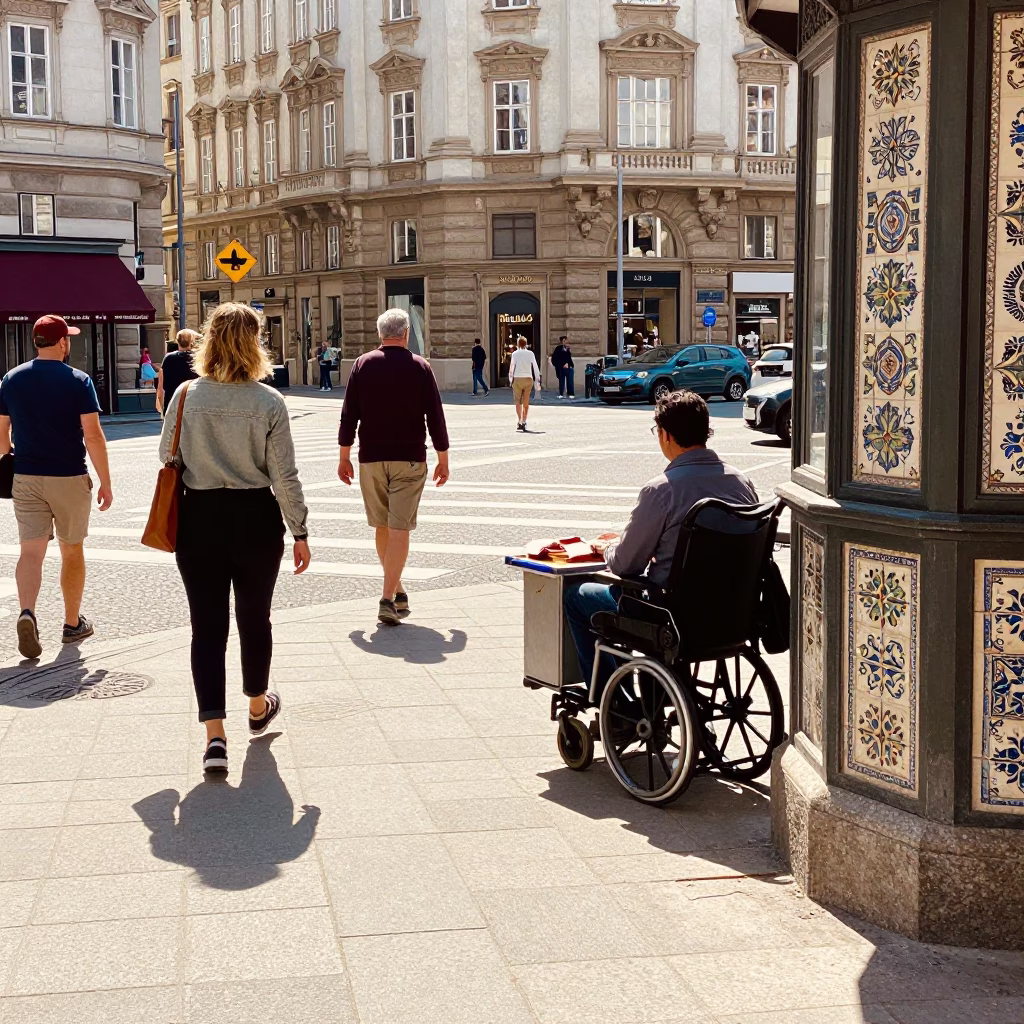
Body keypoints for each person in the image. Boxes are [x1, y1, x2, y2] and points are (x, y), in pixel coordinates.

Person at [159, 302, 311, 775]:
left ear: (208, 341)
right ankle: (257, 706)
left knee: (206, 628)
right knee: (254, 618)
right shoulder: (269, 402)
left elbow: (168, 454)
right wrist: (299, 529)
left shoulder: (185, 395)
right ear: (254, 343)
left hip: (199, 518)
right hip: (255, 520)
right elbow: (284, 476)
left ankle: (214, 738)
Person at [563, 391, 758, 692]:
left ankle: (609, 700)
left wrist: (609, 549)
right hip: (733, 612)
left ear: (665, 435)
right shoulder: (741, 482)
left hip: (672, 614)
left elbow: (626, 564)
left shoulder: (662, 490)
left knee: (577, 596)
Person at [0, 314, 113, 659]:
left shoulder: (11, 379)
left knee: (31, 552)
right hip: (68, 476)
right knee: (71, 549)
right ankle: (71, 623)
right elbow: (92, 435)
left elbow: (1, 433)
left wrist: (8, 462)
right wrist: (105, 482)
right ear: (62, 342)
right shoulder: (78, 380)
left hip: (27, 476)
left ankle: (27, 612)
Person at [338, 308, 450, 626]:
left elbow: (349, 415)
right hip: (410, 459)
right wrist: (443, 458)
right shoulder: (420, 367)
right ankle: (389, 596)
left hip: (371, 458)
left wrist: (343, 456)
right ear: (405, 334)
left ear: (380, 334)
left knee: (383, 527)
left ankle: (396, 591)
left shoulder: (362, 365)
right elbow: (435, 417)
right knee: (399, 527)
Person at [156, 328, 200, 417]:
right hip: (193, 405)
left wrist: (161, 408)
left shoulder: (168, 358)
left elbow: (161, 386)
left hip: (172, 405)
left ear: (178, 341)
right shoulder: (198, 358)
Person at [508, 336, 541, 432]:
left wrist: (511, 380)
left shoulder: (514, 354)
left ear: (518, 344)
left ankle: (519, 420)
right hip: (528, 378)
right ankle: (524, 420)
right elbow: (535, 367)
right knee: (526, 401)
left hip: (517, 378)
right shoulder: (530, 354)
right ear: (526, 344)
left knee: (518, 401)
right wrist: (537, 381)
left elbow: (512, 367)